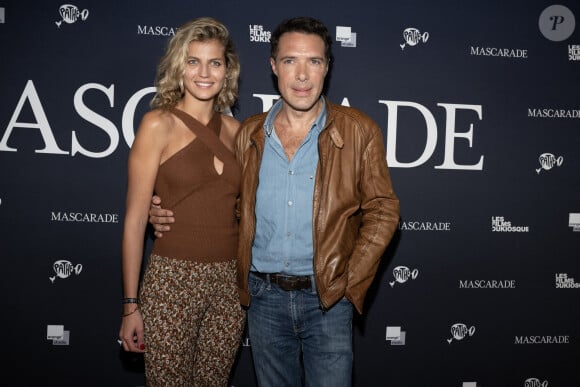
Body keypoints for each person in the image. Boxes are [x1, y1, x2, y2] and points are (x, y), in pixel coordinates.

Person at [149, 16, 400, 386]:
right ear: (273, 66)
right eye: (289, 61)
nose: (302, 75)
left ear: (326, 67)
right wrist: (166, 210)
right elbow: (225, 200)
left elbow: (383, 209)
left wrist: (348, 282)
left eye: (313, 61)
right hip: (263, 300)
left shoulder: (360, 130)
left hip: (327, 299)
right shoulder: (248, 133)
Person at [118, 17, 245, 386]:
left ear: (227, 71)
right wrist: (130, 306)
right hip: (172, 279)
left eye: (214, 62)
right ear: (179, 67)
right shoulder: (158, 124)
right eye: (193, 61)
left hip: (229, 286)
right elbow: (134, 221)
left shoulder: (239, 132)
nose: (204, 72)